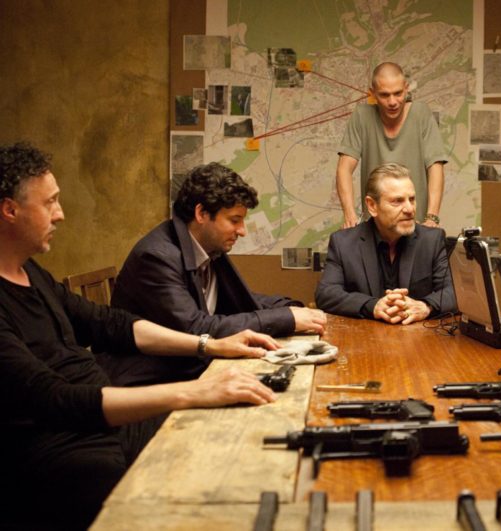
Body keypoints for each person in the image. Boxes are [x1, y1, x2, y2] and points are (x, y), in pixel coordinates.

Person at [0, 142, 280, 528]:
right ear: (10, 210)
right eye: (49, 202)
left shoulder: (31, 273)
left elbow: (111, 323)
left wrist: (211, 345)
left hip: (103, 424)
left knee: (233, 429)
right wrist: (195, 391)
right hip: (63, 450)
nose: (60, 214)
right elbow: (54, 399)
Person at [109, 162, 326, 386]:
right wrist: (285, 318)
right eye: (234, 220)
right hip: (151, 382)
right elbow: (196, 329)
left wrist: (290, 308)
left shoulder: (206, 247)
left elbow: (238, 298)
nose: (242, 231)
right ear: (201, 213)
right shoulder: (157, 257)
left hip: (191, 368)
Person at [316, 163, 456, 323]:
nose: (409, 209)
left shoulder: (432, 240)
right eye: (397, 201)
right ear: (372, 206)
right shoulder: (343, 243)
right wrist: (372, 306)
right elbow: (326, 294)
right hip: (365, 335)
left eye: (411, 199)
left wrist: (425, 306)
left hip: (418, 335)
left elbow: (455, 293)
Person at [336, 62, 447, 228]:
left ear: (406, 88)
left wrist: (432, 217)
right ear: (373, 93)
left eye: (398, 93)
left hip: (414, 225)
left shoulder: (421, 114)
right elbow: (344, 168)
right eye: (384, 95)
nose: (392, 101)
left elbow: (435, 166)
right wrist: (349, 214)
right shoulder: (361, 116)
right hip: (375, 228)